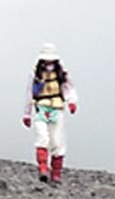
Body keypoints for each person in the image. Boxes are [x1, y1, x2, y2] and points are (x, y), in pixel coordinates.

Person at [23, 43, 77, 183]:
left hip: (57, 109)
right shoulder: (35, 73)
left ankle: (56, 172)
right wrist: (27, 113)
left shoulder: (61, 73)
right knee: (42, 137)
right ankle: (43, 168)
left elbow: (68, 88)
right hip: (41, 108)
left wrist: (71, 101)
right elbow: (29, 92)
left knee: (57, 141)